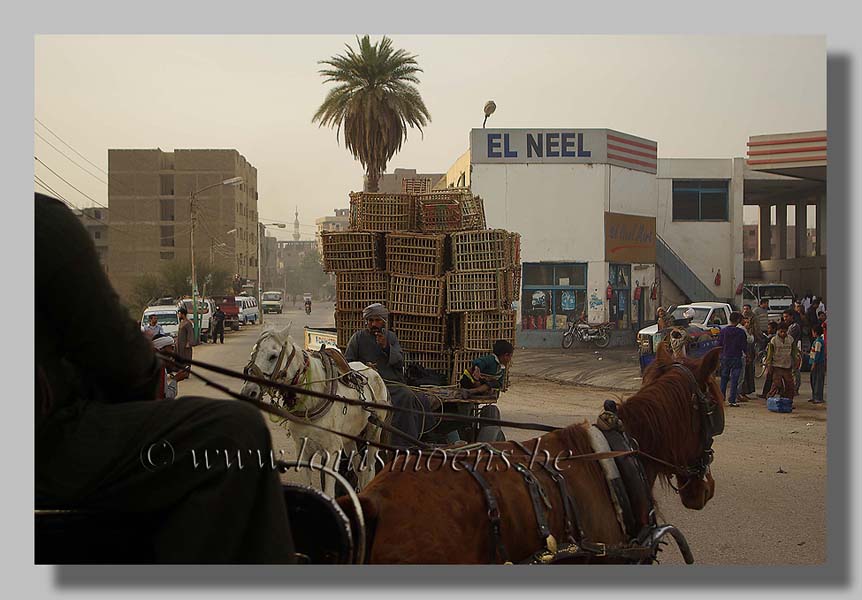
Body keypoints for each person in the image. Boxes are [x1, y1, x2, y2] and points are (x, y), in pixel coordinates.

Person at [35, 193, 295, 563]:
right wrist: (148, 367)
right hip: (45, 444)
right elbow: (119, 357)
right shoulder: (41, 223)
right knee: (236, 431)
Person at [345, 303, 438, 448]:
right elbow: (348, 362)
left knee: (408, 396)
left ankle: (406, 442)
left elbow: (399, 361)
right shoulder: (358, 338)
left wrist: (386, 347)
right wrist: (364, 367)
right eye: (370, 320)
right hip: (367, 385)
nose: (373, 324)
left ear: (383, 321)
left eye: (376, 320)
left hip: (390, 383)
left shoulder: (390, 337)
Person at [716, 311, 749, 407]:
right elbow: (744, 346)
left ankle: (721, 398)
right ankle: (732, 400)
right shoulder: (741, 332)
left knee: (724, 378)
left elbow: (719, 345)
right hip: (736, 357)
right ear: (738, 320)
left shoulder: (723, 331)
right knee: (735, 379)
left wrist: (719, 356)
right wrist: (747, 355)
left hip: (725, 357)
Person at [765, 322, 799, 402]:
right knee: (776, 384)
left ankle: (788, 401)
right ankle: (769, 398)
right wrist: (769, 364)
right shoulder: (773, 340)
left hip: (787, 365)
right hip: (777, 365)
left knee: (790, 385)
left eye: (785, 331)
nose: (783, 333)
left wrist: (796, 360)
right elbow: (770, 354)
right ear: (778, 331)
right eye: (781, 331)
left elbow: (794, 352)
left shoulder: (790, 339)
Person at [152, 334, 180, 400]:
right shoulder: (160, 367)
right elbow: (166, 397)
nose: (173, 352)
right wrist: (176, 379)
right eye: (171, 348)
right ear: (161, 349)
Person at [782, 309, 803, 394]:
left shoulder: (794, 326)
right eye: (784, 317)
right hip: (787, 351)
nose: (785, 319)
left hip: (793, 350)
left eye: (786, 317)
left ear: (791, 317)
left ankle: (795, 388)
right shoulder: (787, 326)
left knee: (794, 370)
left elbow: (788, 338)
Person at [808, 324, 826, 404]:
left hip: (818, 363)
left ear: (815, 332)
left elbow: (817, 354)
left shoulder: (818, 342)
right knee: (814, 380)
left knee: (818, 380)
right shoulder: (817, 341)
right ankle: (815, 396)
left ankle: (818, 397)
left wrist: (814, 363)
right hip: (816, 362)